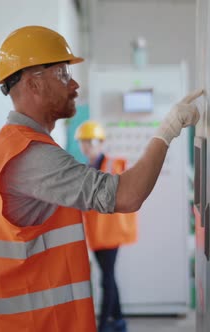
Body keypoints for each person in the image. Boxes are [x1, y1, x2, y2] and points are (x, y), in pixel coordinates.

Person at [0, 25, 204, 332]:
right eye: (63, 74)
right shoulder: (31, 156)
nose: (74, 84)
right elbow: (126, 195)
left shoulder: (4, 148)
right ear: (33, 84)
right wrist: (167, 129)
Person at [75, 120, 137, 332]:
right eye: (83, 142)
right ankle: (119, 321)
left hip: (110, 234)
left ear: (100, 143)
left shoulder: (113, 165)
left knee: (106, 279)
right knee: (109, 277)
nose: (87, 146)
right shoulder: (86, 169)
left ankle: (102, 326)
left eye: (91, 142)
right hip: (96, 234)